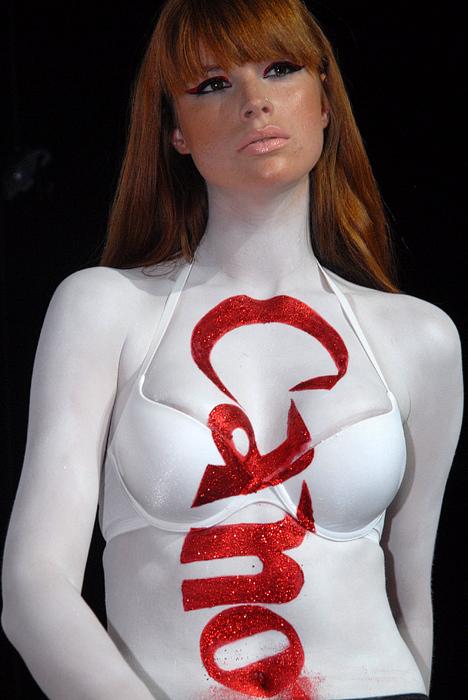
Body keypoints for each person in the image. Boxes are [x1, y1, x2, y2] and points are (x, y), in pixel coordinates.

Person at [1, 0, 462, 698]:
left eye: (280, 70)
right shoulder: (104, 309)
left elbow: (414, 601)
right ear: (175, 131)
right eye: (213, 83)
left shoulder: (420, 338)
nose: (255, 102)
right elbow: (35, 585)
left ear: (325, 100)